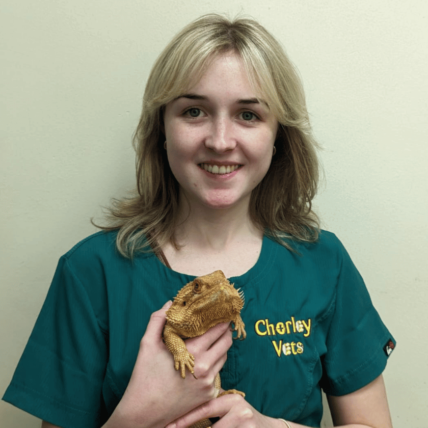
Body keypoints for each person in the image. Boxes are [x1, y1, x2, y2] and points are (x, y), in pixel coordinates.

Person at [3, 14, 395, 428]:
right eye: (194, 111)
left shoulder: (324, 262)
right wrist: (138, 415)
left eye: (248, 115)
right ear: (162, 129)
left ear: (279, 134)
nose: (220, 141)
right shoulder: (90, 273)